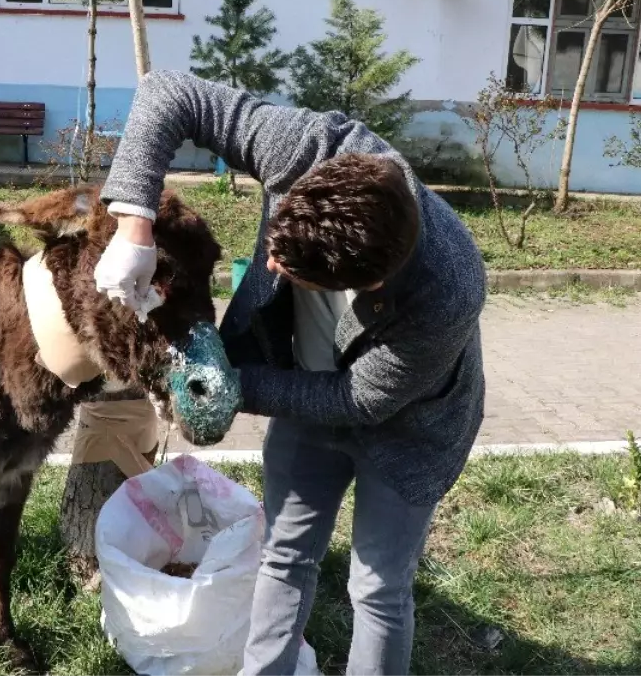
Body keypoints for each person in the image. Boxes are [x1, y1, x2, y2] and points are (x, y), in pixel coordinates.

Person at [94, 70, 487, 676]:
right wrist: (134, 225)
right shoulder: (313, 147)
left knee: (376, 589)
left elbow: (359, 401)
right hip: (308, 395)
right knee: (283, 555)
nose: (270, 263)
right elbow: (166, 91)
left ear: (366, 282)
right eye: (274, 244)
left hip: (411, 430)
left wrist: (237, 386)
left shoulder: (447, 289)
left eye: (291, 269)